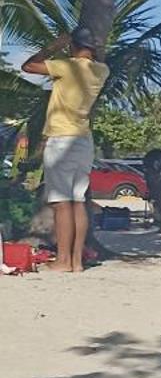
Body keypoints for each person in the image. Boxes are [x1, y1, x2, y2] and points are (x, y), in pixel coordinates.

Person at [20, 29, 110, 273]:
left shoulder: (66, 67)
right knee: (78, 201)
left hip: (61, 139)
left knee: (61, 204)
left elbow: (28, 66)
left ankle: (63, 260)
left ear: (73, 45)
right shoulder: (101, 71)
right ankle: (77, 261)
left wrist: (53, 46)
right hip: (83, 140)